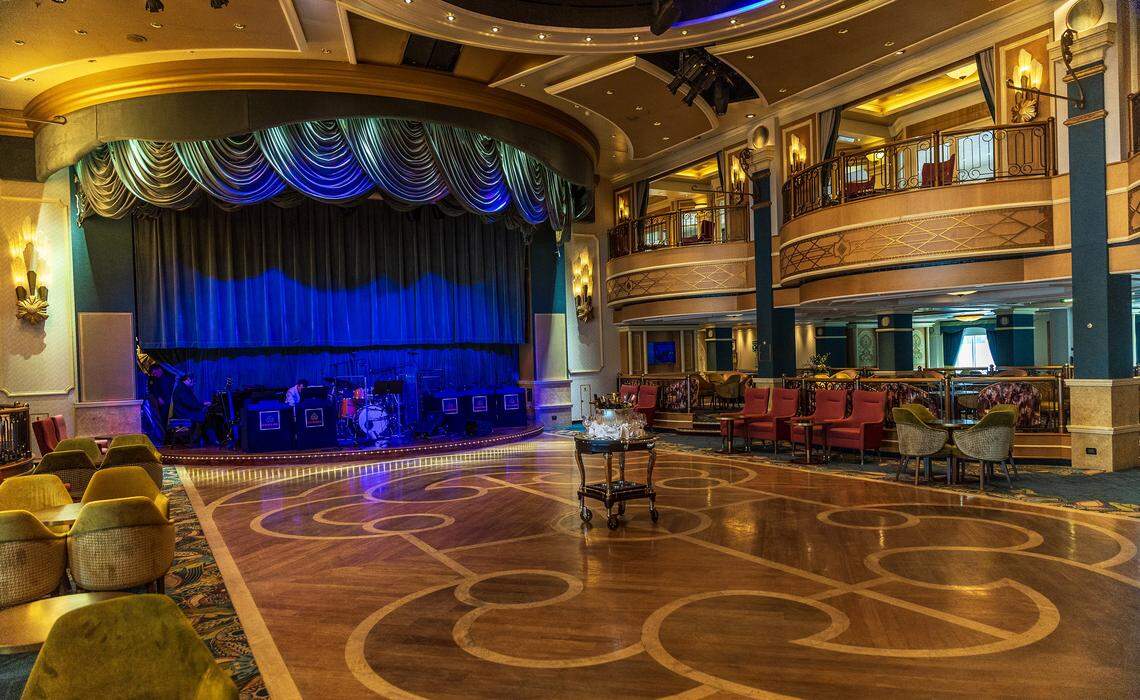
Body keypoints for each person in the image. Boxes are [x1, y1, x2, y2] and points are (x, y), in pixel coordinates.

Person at [172, 374, 212, 445]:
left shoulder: (183, 388)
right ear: (187, 380)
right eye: (192, 381)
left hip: (184, 411)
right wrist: (203, 404)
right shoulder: (182, 389)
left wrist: (202, 405)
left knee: (204, 416)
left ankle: (202, 439)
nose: (194, 383)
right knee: (205, 417)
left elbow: (191, 403)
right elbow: (190, 404)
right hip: (183, 413)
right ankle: (197, 440)